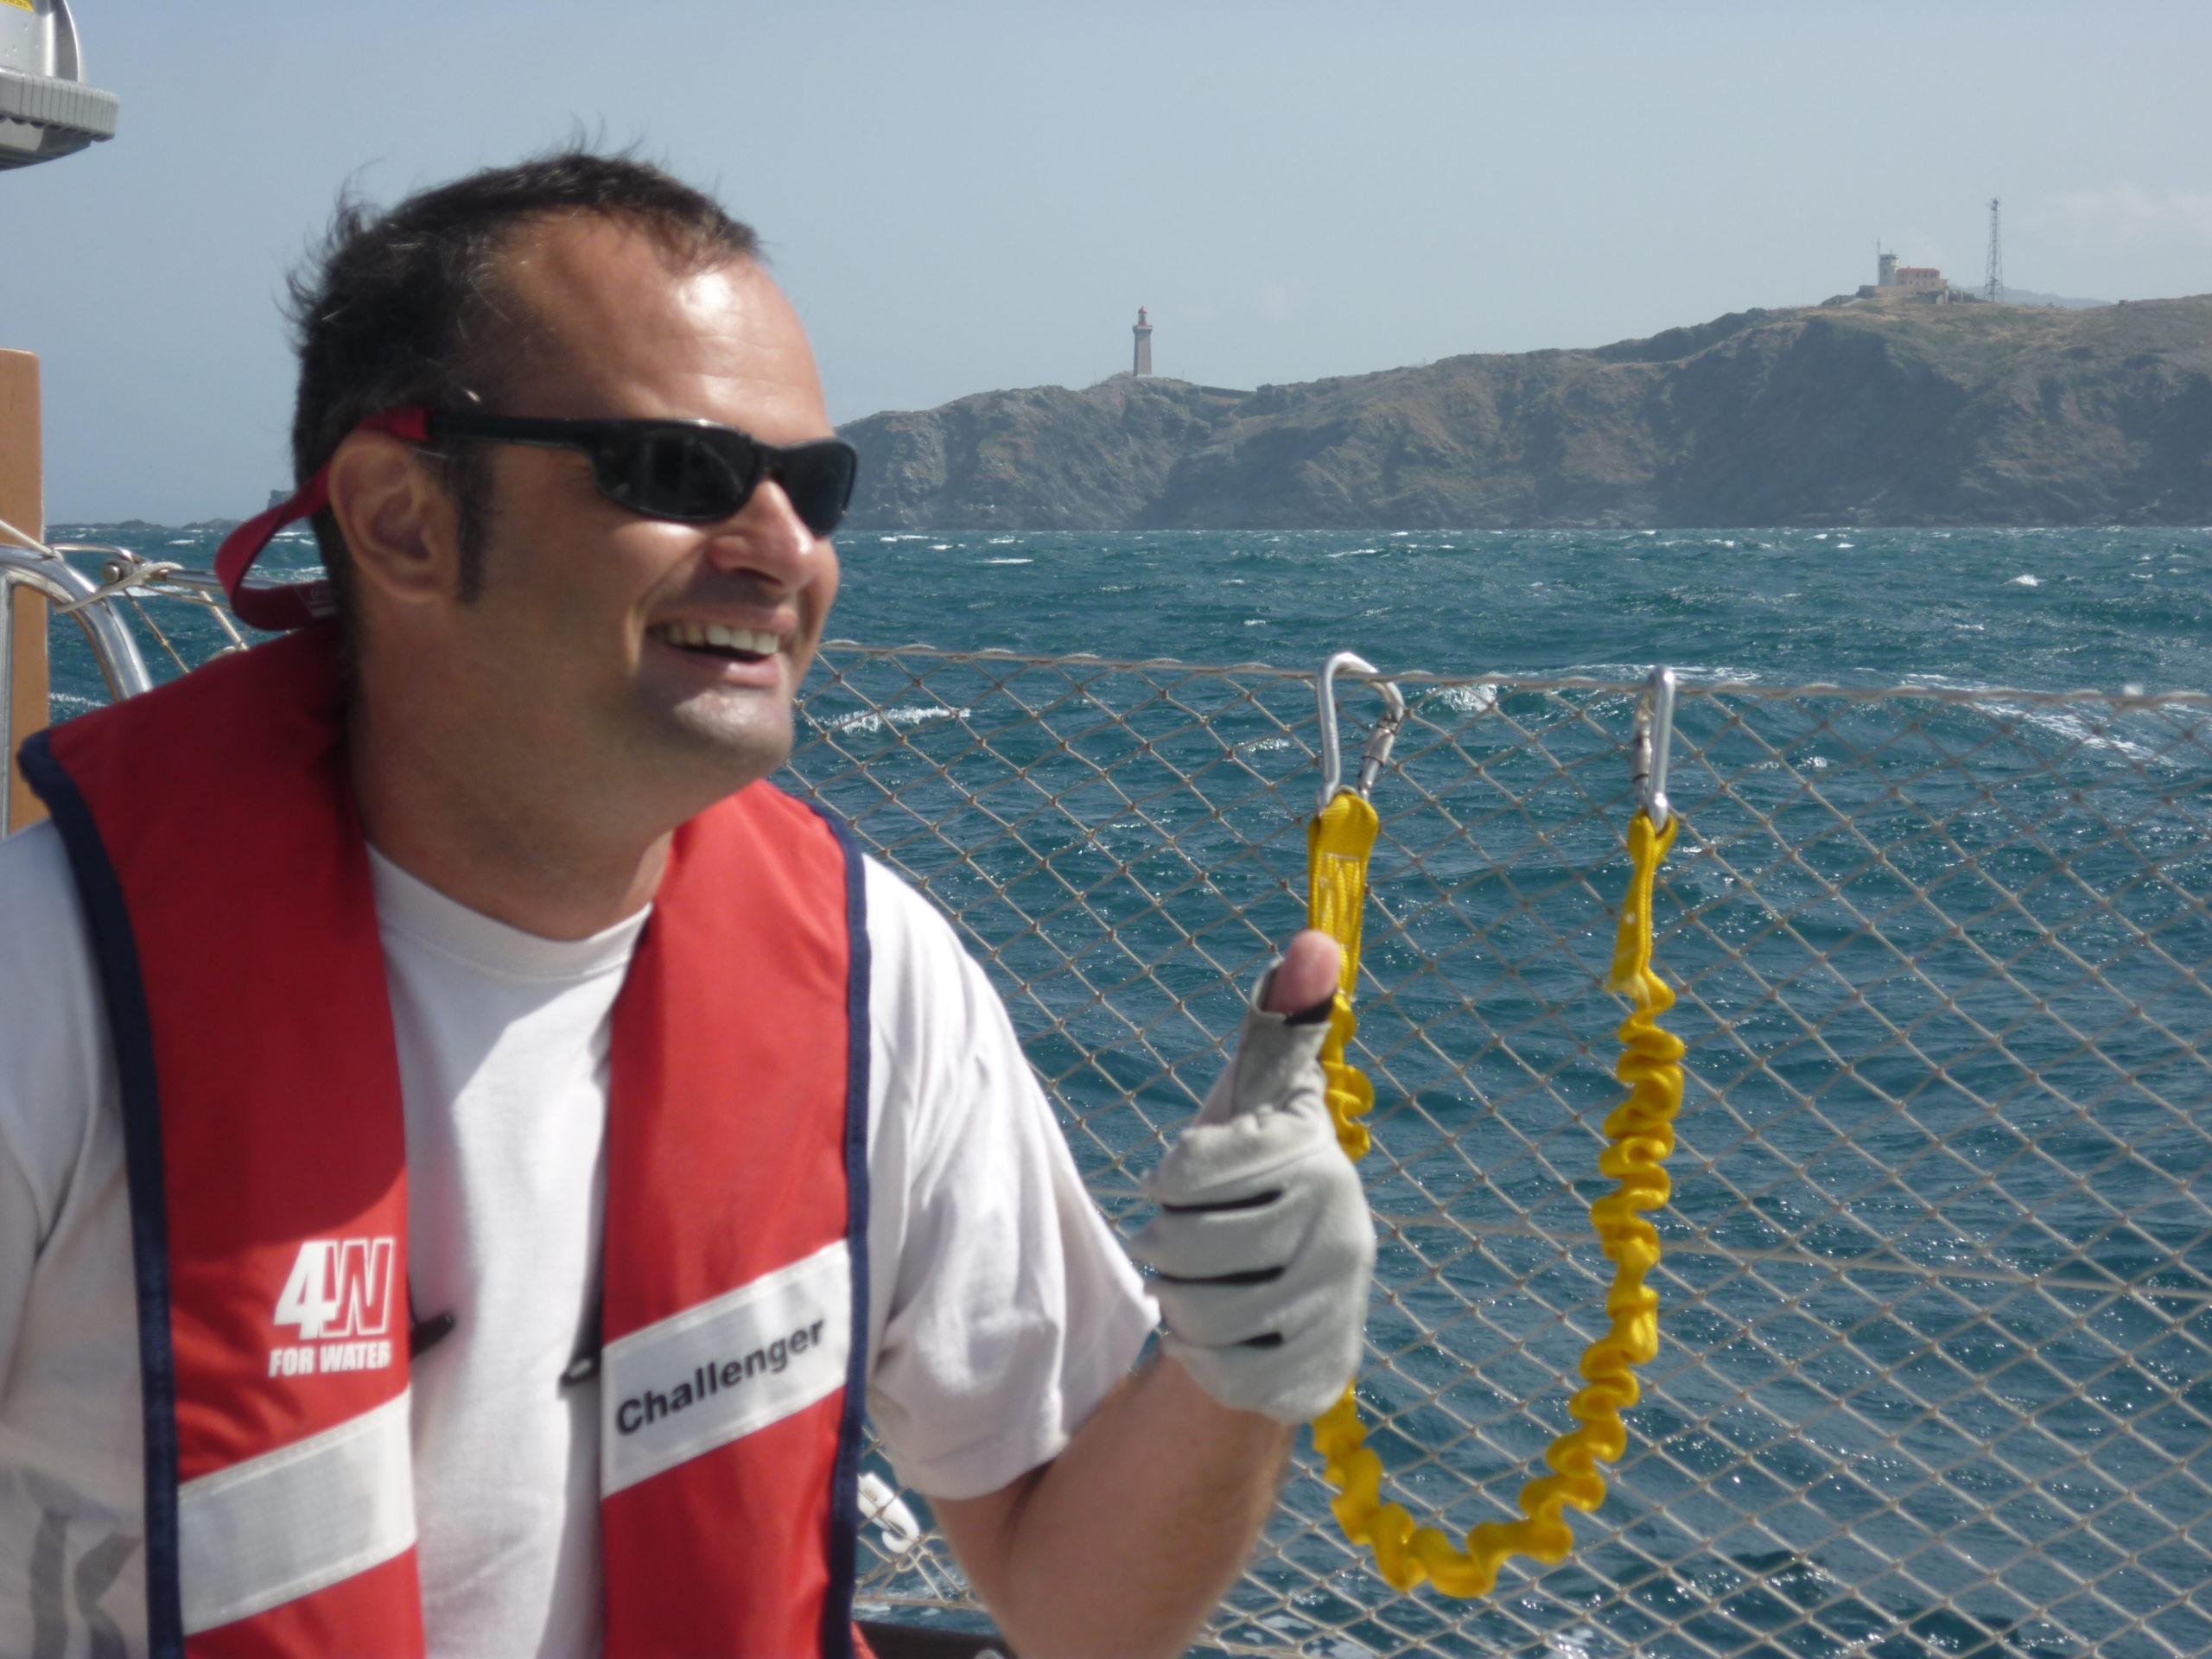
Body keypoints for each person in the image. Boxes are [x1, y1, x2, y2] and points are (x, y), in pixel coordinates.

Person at [0, 151, 1374, 1659]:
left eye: (815, 485)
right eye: (681, 472)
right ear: (399, 521)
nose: (787, 547)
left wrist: (1240, 1369)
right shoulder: (49, 987)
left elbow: (1079, 1602)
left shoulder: (872, 979)